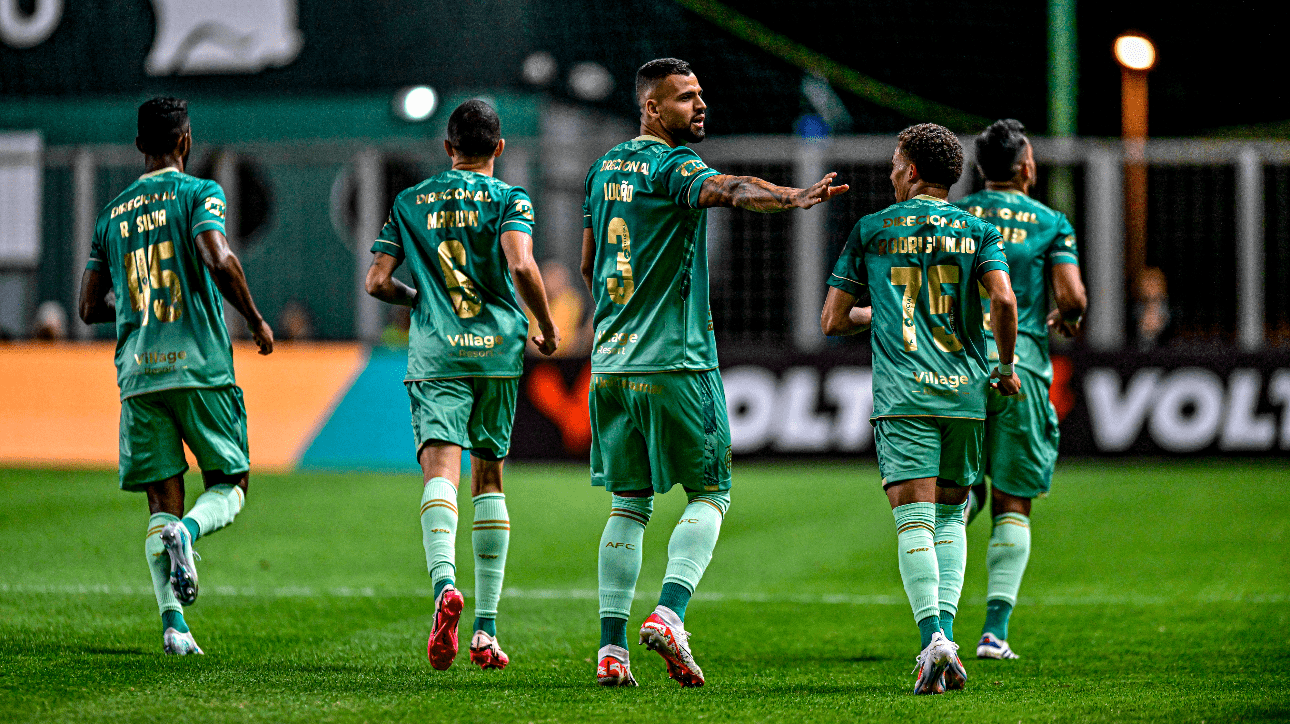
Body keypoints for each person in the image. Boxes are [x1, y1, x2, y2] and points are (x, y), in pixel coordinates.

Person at [583, 57, 848, 688]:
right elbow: (728, 190)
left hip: (611, 364)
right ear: (652, 108)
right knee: (711, 493)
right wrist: (792, 195)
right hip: (676, 360)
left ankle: (611, 652)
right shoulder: (675, 166)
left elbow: (592, 254)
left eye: (701, 95)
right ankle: (670, 614)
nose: (700, 106)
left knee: (629, 503)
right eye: (684, 98)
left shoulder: (602, 169)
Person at [820, 123, 1018, 694]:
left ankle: (933, 640)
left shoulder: (872, 229)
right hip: (963, 394)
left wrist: (880, 313)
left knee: (914, 520)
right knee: (953, 517)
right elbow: (1003, 299)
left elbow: (832, 321)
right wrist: (1003, 368)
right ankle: (946, 638)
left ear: (910, 171)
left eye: (892, 162)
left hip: (904, 396)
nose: (889, 171)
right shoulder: (979, 230)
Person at [365, 99, 560, 672]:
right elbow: (522, 265)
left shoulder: (409, 201)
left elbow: (378, 282)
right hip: (496, 352)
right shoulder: (510, 199)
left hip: (436, 353)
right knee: (490, 475)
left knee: (440, 471)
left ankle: (444, 585)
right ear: (499, 149)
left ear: (447, 148)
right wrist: (546, 326)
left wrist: (417, 296)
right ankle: (487, 629)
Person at [77, 97, 274, 655]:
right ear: (186, 141)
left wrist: (137, 302)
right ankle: (188, 534)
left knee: (161, 498)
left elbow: (89, 307)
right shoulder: (199, 194)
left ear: (139, 145)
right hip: (199, 366)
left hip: (139, 372)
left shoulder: (110, 215)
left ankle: (174, 625)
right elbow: (216, 257)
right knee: (230, 485)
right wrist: (256, 319)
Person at [956, 119, 1087, 661]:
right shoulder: (1050, 221)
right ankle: (994, 633)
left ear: (981, 170)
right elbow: (1073, 295)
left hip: (954, 370)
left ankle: (937, 622)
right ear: (1027, 167)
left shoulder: (955, 215)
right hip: (1022, 367)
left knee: (953, 497)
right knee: (1014, 499)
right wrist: (1067, 315)